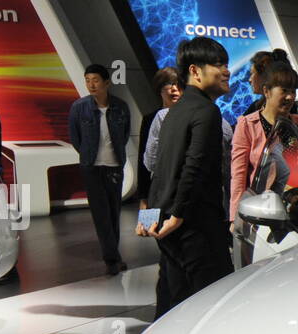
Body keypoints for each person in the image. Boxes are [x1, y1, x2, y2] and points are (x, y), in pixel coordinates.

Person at [142, 36, 232, 319]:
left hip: (171, 230)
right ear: (195, 71)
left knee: (176, 306)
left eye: (226, 63)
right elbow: (194, 167)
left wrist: (150, 218)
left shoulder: (174, 112)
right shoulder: (207, 111)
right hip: (197, 228)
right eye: (218, 64)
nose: (226, 71)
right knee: (209, 309)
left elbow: (159, 168)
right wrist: (179, 214)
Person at [229, 58, 298, 233]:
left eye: (293, 91)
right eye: (284, 90)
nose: (290, 97)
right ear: (266, 91)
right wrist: (236, 218)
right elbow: (239, 176)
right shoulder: (247, 125)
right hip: (263, 213)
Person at [69, 63, 131, 275]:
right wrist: (87, 153)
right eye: (87, 80)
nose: (91, 85)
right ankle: (111, 259)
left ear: (107, 82)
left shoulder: (121, 106)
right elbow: (75, 138)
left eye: (95, 80)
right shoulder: (79, 107)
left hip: (115, 165)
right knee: (100, 214)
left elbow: (124, 135)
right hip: (91, 167)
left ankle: (114, 254)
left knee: (114, 212)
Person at [137, 66, 180, 213]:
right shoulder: (150, 119)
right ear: (159, 89)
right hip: (156, 188)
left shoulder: (190, 117)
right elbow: (144, 158)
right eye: (169, 84)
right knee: (156, 229)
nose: (174, 89)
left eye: (178, 84)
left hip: (182, 189)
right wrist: (143, 197)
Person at [242, 48, 287, 116]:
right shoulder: (256, 106)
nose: (250, 79)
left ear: (264, 76)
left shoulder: (285, 107)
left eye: (252, 73)